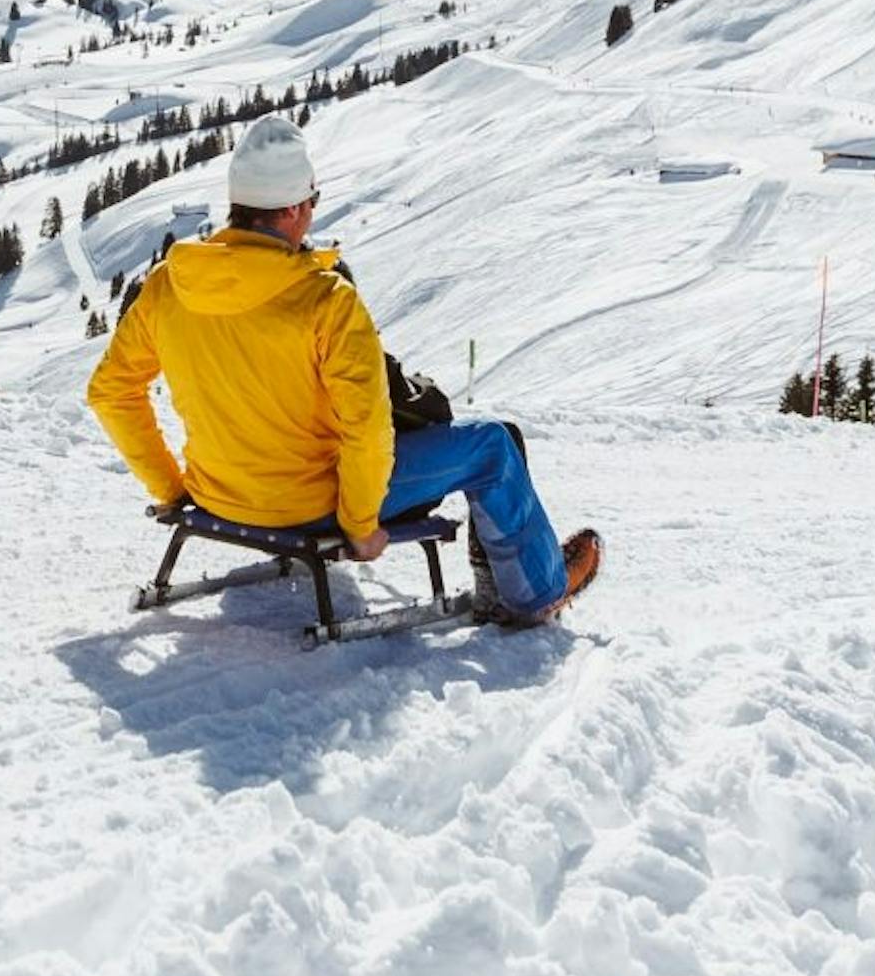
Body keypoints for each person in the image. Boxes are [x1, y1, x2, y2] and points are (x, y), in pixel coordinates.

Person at [87, 116, 599, 624]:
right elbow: (366, 427)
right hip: (315, 503)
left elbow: (111, 392)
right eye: (312, 201)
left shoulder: (169, 285)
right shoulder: (325, 298)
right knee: (492, 446)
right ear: (291, 207)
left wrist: (173, 489)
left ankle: (519, 581)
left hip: (217, 494)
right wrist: (359, 526)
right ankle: (535, 594)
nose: (311, 213)